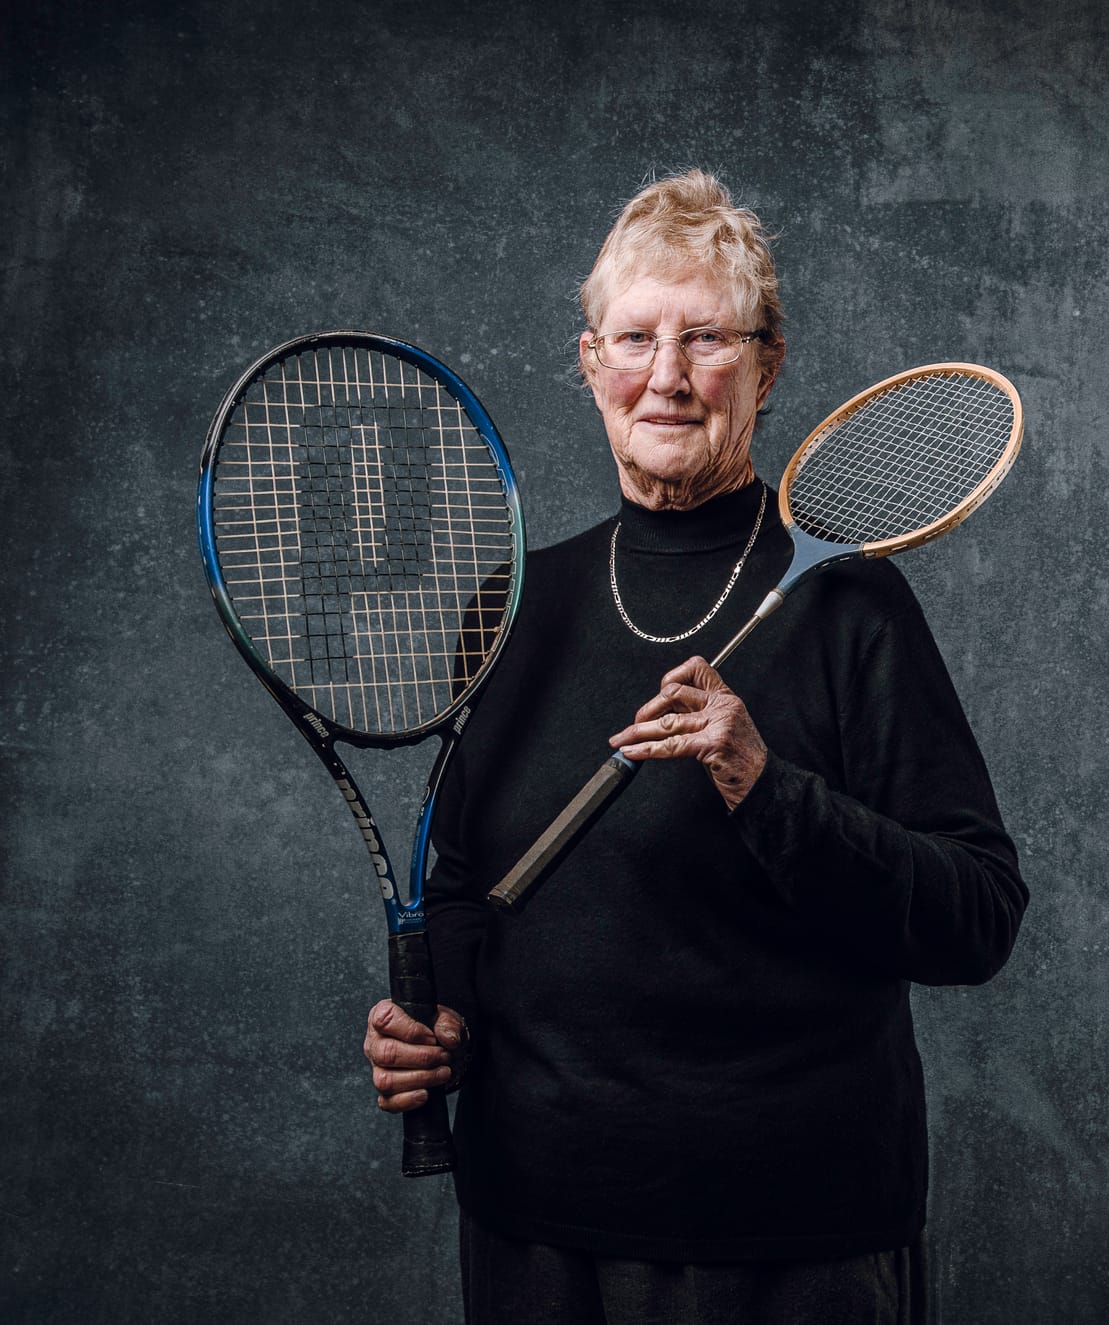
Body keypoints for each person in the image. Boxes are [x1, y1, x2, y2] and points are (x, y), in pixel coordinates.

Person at [360, 170, 1027, 1325]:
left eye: (706, 338)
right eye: (635, 337)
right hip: (535, 1233)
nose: (665, 375)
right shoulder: (516, 607)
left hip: (789, 1243)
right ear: (589, 363)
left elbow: (975, 917)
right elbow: (469, 890)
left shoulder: (851, 609)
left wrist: (759, 781)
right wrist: (445, 1021)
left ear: (765, 368)